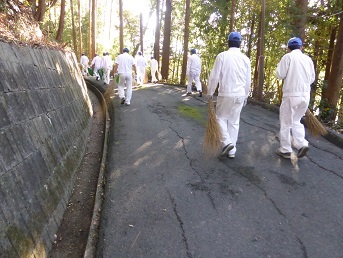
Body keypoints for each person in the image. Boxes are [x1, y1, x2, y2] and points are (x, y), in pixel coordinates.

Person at [207, 32, 251, 158]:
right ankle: (232, 151)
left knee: (220, 118)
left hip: (226, 93)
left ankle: (227, 143)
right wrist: (246, 96)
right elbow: (248, 80)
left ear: (228, 42)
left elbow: (214, 76)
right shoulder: (245, 59)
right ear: (240, 43)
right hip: (240, 94)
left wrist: (210, 93)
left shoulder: (222, 56)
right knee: (234, 122)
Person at [275, 37, 315, 159]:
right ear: (301, 47)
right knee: (296, 121)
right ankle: (302, 143)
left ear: (288, 48)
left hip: (291, 95)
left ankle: (285, 149)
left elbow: (279, 74)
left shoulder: (288, 57)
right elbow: (312, 78)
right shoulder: (308, 59)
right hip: (305, 96)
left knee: (286, 122)